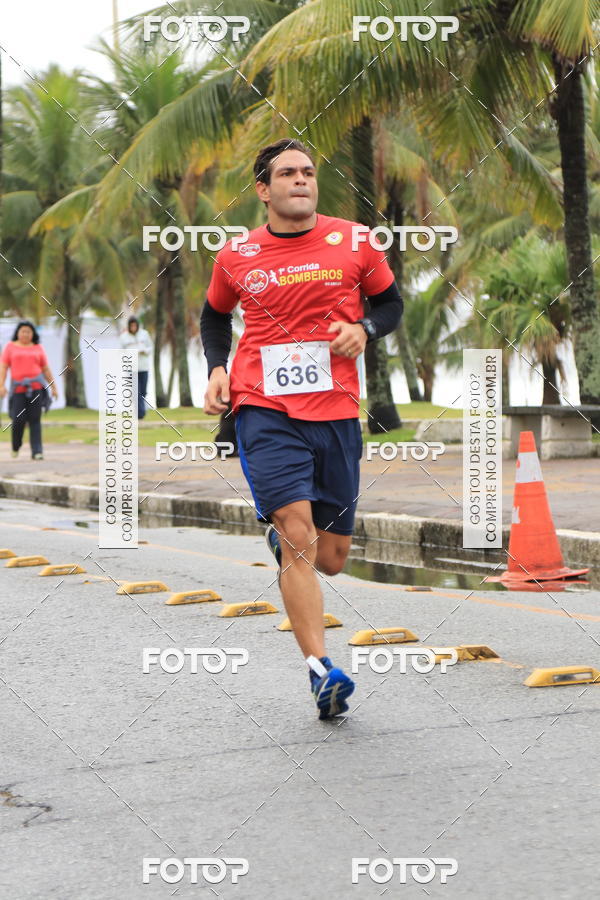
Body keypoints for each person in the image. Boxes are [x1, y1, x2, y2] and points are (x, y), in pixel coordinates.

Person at [201, 139, 403, 719]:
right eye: (287, 173)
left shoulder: (356, 241)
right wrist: (219, 368)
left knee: (333, 556)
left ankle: (292, 541)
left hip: (336, 412)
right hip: (264, 411)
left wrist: (365, 327)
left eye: (308, 172)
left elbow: (391, 305)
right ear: (263, 189)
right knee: (298, 537)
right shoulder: (237, 254)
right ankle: (320, 671)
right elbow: (214, 314)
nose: (301, 180)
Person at [0, 320, 58, 460]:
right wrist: (1, 385)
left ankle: (37, 451)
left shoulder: (38, 347)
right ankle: (15, 445)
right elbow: (3, 367)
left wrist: (54, 387)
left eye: (28, 331)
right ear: (18, 333)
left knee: (35, 419)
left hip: (36, 389)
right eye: (23, 331)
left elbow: (45, 369)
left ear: (33, 334)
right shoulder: (10, 347)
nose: (25, 334)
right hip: (18, 390)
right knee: (18, 419)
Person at [120, 316, 152, 418]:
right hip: (131, 369)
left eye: (135, 325)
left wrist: (145, 351)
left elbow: (150, 347)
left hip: (143, 367)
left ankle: (139, 411)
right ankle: (140, 414)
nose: (133, 327)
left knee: (143, 392)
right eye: (131, 325)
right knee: (136, 391)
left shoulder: (144, 334)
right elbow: (121, 352)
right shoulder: (124, 337)